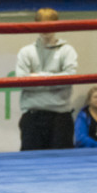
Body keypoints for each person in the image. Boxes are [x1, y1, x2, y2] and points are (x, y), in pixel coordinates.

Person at [15, 8, 79, 151]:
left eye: (49, 24)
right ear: (35, 25)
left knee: (63, 165)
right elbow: (21, 81)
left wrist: (37, 77)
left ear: (57, 24)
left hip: (61, 117)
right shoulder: (26, 52)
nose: (45, 28)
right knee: (30, 164)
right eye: (42, 24)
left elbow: (69, 78)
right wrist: (55, 78)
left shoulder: (67, 50)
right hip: (32, 117)